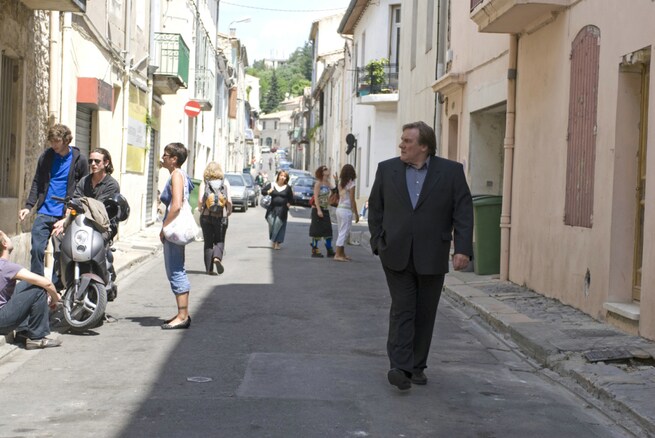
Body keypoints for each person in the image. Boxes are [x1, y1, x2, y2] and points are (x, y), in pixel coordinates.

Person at [368, 121, 473, 391]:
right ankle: (400, 367)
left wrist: (462, 249)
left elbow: (462, 211)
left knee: (425, 312)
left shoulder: (450, 172)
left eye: (408, 141)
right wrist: (378, 241)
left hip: (432, 253)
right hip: (395, 253)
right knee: (403, 308)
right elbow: (376, 208)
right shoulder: (387, 169)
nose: (401, 145)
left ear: (424, 146)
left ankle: (417, 367)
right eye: (402, 140)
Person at [18, 124, 88, 287]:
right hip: (44, 211)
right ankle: (38, 286)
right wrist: (28, 206)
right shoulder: (46, 157)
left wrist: (72, 212)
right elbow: (37, 182)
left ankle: (56, 287)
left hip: (65, 214)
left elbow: (84, 187)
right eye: (52, 141)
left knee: (60, 252)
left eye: (57, 141)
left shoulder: (79, 160)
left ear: (66, 140)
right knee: (36, 250)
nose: (54, 145)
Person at [0, 230, 62, 350]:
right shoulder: (7, 267)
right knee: (38, 289)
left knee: (27, 284)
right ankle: (37, 338)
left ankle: (23, 331)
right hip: (2, 320)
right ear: (4, 244)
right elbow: (47, 283)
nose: (9, 239)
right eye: (7, 237)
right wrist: (55, 299)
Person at [159, 143, 194, 330]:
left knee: (175, 270)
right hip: (173, 227)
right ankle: (182, 313)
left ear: (174, 159)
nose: (163, 158)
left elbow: (177, 204)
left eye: (166, 155)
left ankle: (182, 316)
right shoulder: (180, 175)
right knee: (175, 268)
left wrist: (164, 226)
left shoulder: (176, 175)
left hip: (173, 228)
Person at [197, 162, 232, 275]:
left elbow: (200, 201)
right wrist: (228, 211)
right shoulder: (225, 182)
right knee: (219, 240)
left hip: (206, 216)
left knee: (208, 242)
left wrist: (200, 209)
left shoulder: (204, 182)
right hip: (221, 216)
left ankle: (209, 269)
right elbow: (229, 201)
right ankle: (217, 257)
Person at [309, 165, 336, 258]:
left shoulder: (328, 183)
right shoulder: (318, 183)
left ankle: (329, 249)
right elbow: (316, 197)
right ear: (322, 172)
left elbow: (335, 191)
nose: (327, 170)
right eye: (325, 169)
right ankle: (315, 250)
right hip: (317, 209)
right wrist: (319, 210)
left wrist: (336, 181)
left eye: (327, 168)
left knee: (328, 230)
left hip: (325, 209)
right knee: (316, 231)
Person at [262, 170, 293, 250]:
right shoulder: (272, 185)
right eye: (281, 175)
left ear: (286, 178)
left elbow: (291, 198)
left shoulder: (288, 188)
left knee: (279, 225)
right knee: (272, 225)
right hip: (272, 208)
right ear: (278, 176)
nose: (282, 177)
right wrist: (269, 191)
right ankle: (274, 239)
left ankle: (277, 243)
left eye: (284, 176)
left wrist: (288, 204)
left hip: (282, 209)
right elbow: (263, 191)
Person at [334, 164, 359, 262]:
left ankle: (342, 253)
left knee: (341, 231)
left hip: (339, 209)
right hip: (346, 210)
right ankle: (337, 254)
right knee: (344, 232)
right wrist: (356, 213)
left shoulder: (341, 183)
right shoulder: (351, 184)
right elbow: (352, 200)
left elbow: (342, 197)